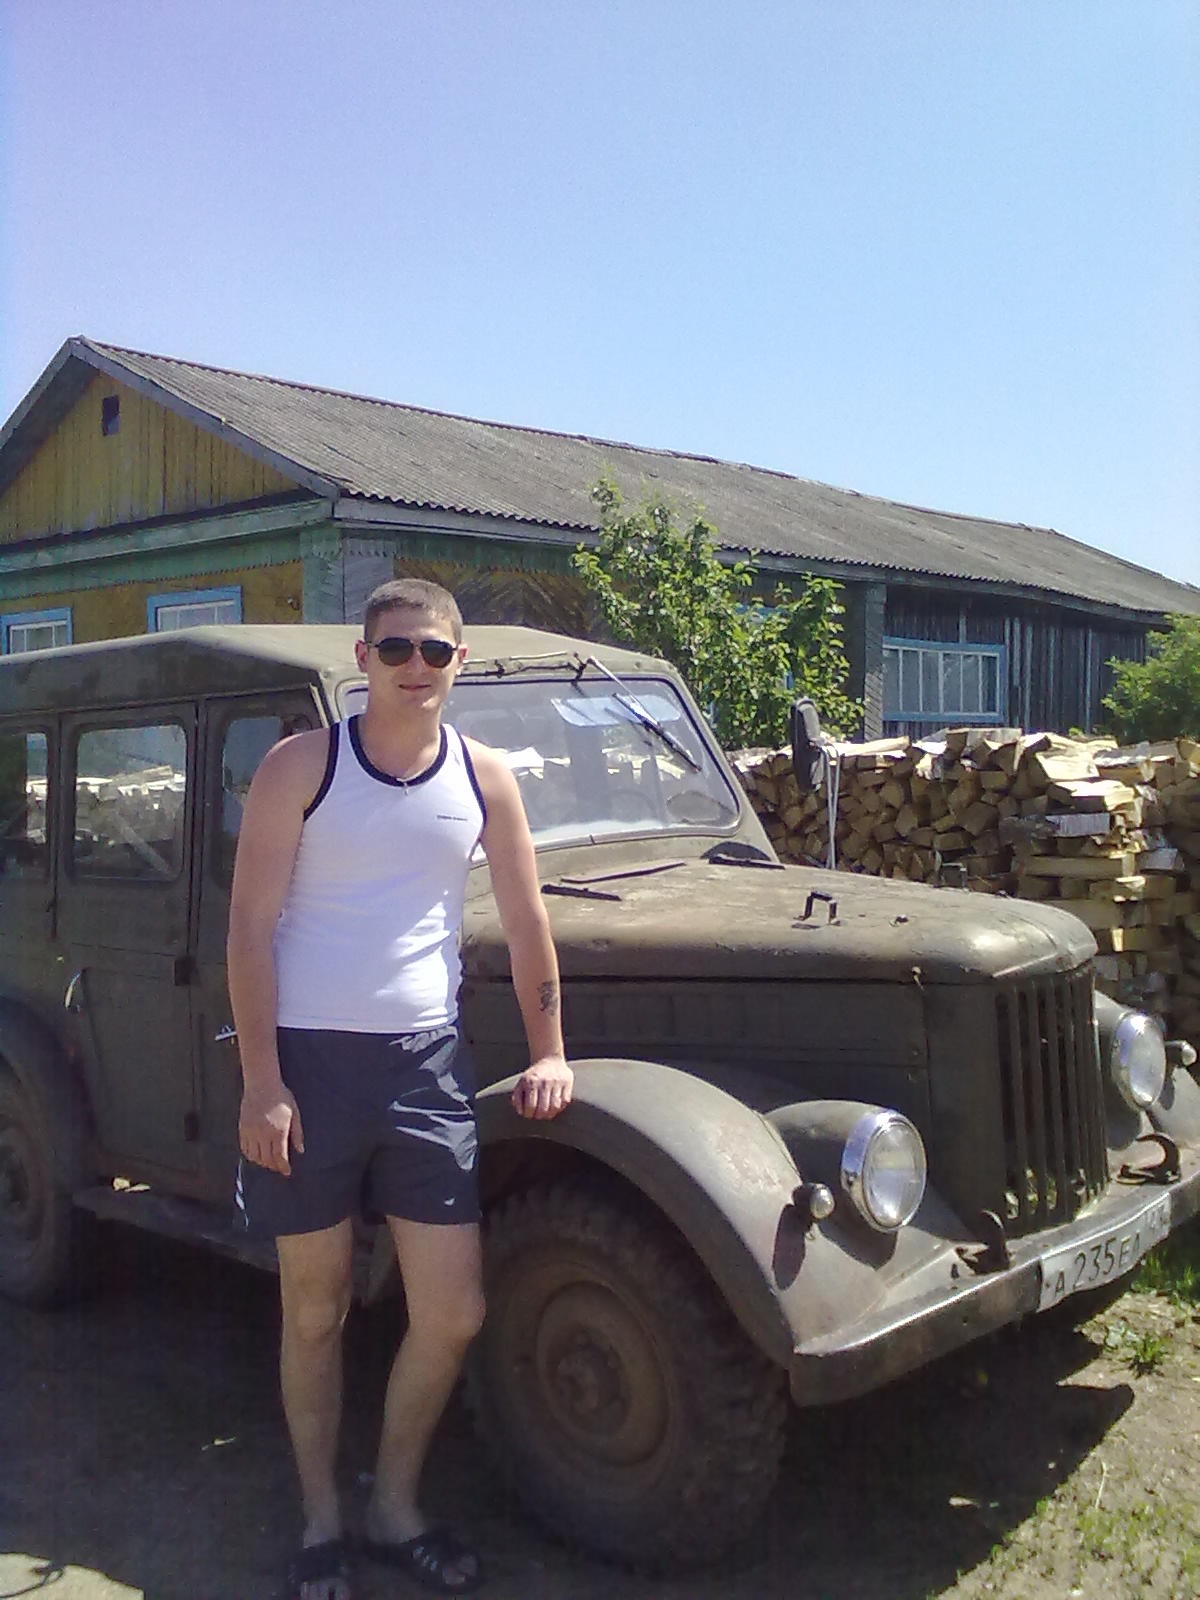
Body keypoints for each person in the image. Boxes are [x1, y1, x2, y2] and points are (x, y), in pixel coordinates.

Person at [228, 578, 572, 1600]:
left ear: (460, 661)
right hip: (310, 1064)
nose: (415, 667)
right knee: (316, 1309)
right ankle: (321, 1518)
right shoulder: (303, 765)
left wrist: (551, 1049)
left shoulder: (484, 776)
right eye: (395, 649)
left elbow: (526, 919)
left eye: (434, 651)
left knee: (454, 1310)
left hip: (425, 1064)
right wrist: (261, 1082)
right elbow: (248, 927)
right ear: (363, 657)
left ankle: (394, 1504)